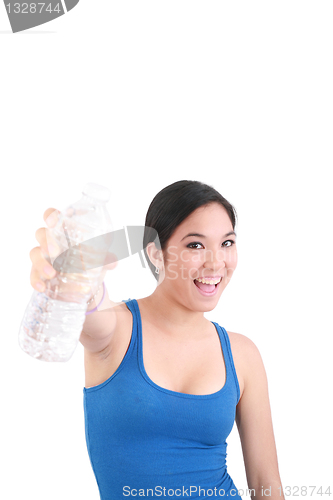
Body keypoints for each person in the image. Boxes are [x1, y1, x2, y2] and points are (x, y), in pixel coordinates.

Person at [30, 180, 285, 500]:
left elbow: (266, 483)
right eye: (196, 245)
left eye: (227, 243)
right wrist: (75, 273)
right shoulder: (117, 330)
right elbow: (89, 301)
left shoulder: (241, 353)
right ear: (154, 252)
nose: (216, 262)